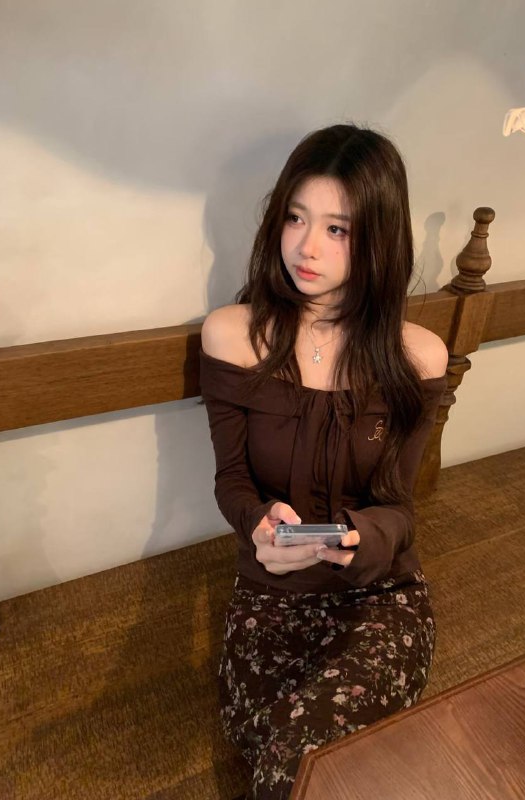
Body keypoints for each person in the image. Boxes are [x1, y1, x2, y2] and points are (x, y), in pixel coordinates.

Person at [200, 123, 448, 799]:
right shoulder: (232, 336)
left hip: (378, 595)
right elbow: (232, 480)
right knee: (277, 754)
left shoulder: (417, 358)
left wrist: (358, 538)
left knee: (301, 754)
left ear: (379, 241)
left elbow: (399, 508)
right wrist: (257, 525)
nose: (305, 247)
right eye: (295, 217)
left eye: (338, 229)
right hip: (270, 591)